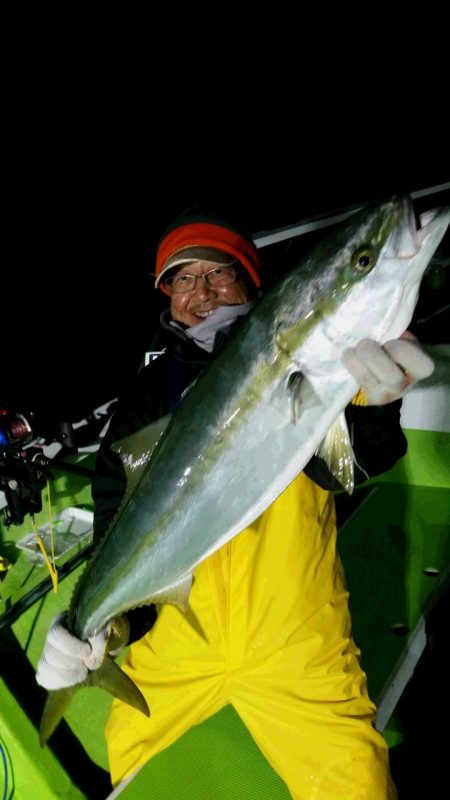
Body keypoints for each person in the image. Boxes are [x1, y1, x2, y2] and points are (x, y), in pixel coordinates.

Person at [36, 207, 434, 799]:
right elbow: (121, 523)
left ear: (252, 283)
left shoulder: (323, 362)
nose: (201, 293)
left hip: (296, 637)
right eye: (183, 279)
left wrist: (375, 407)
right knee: (134, 769)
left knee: (359, 785)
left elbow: (348, 468)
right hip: (179, 641)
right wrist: (96, 628)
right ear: (167, 296)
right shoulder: (144, 401)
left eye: (218, 274)